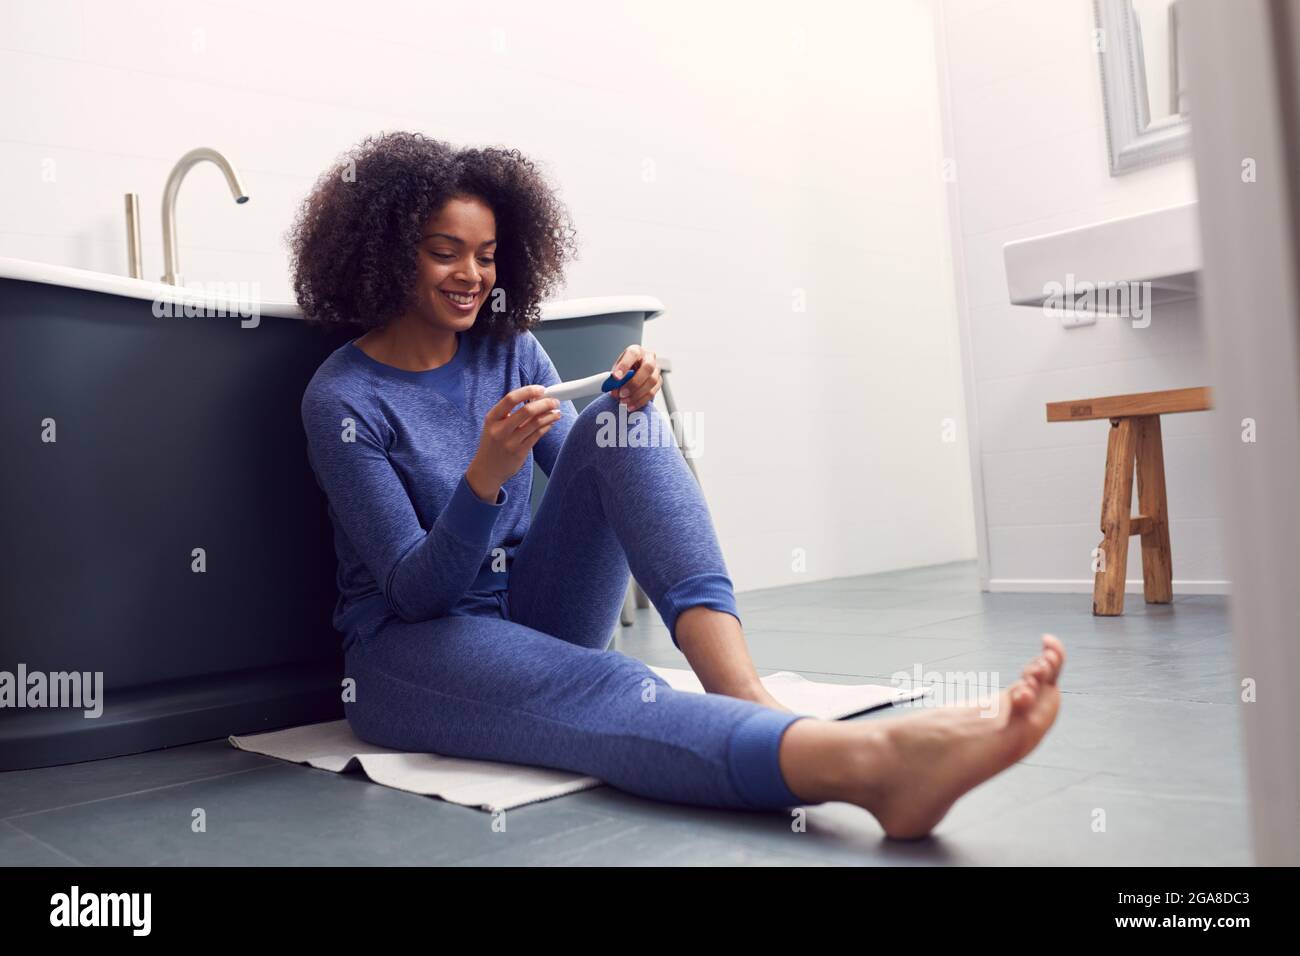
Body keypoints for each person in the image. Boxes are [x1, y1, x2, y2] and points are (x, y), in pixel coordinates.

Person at [290, 131, 1064, 839]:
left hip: (533, 608)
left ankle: (741, 692)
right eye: (444, 252)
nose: (472, 276)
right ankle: (863, 768)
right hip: (414, 651)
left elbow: (593, 466)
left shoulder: (510, 349)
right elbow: (414, 593)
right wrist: (485, 479)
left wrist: (628, 405)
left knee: (617, 425)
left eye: (487, 256)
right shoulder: (344, 398)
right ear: (389, 255)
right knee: (607, 687)